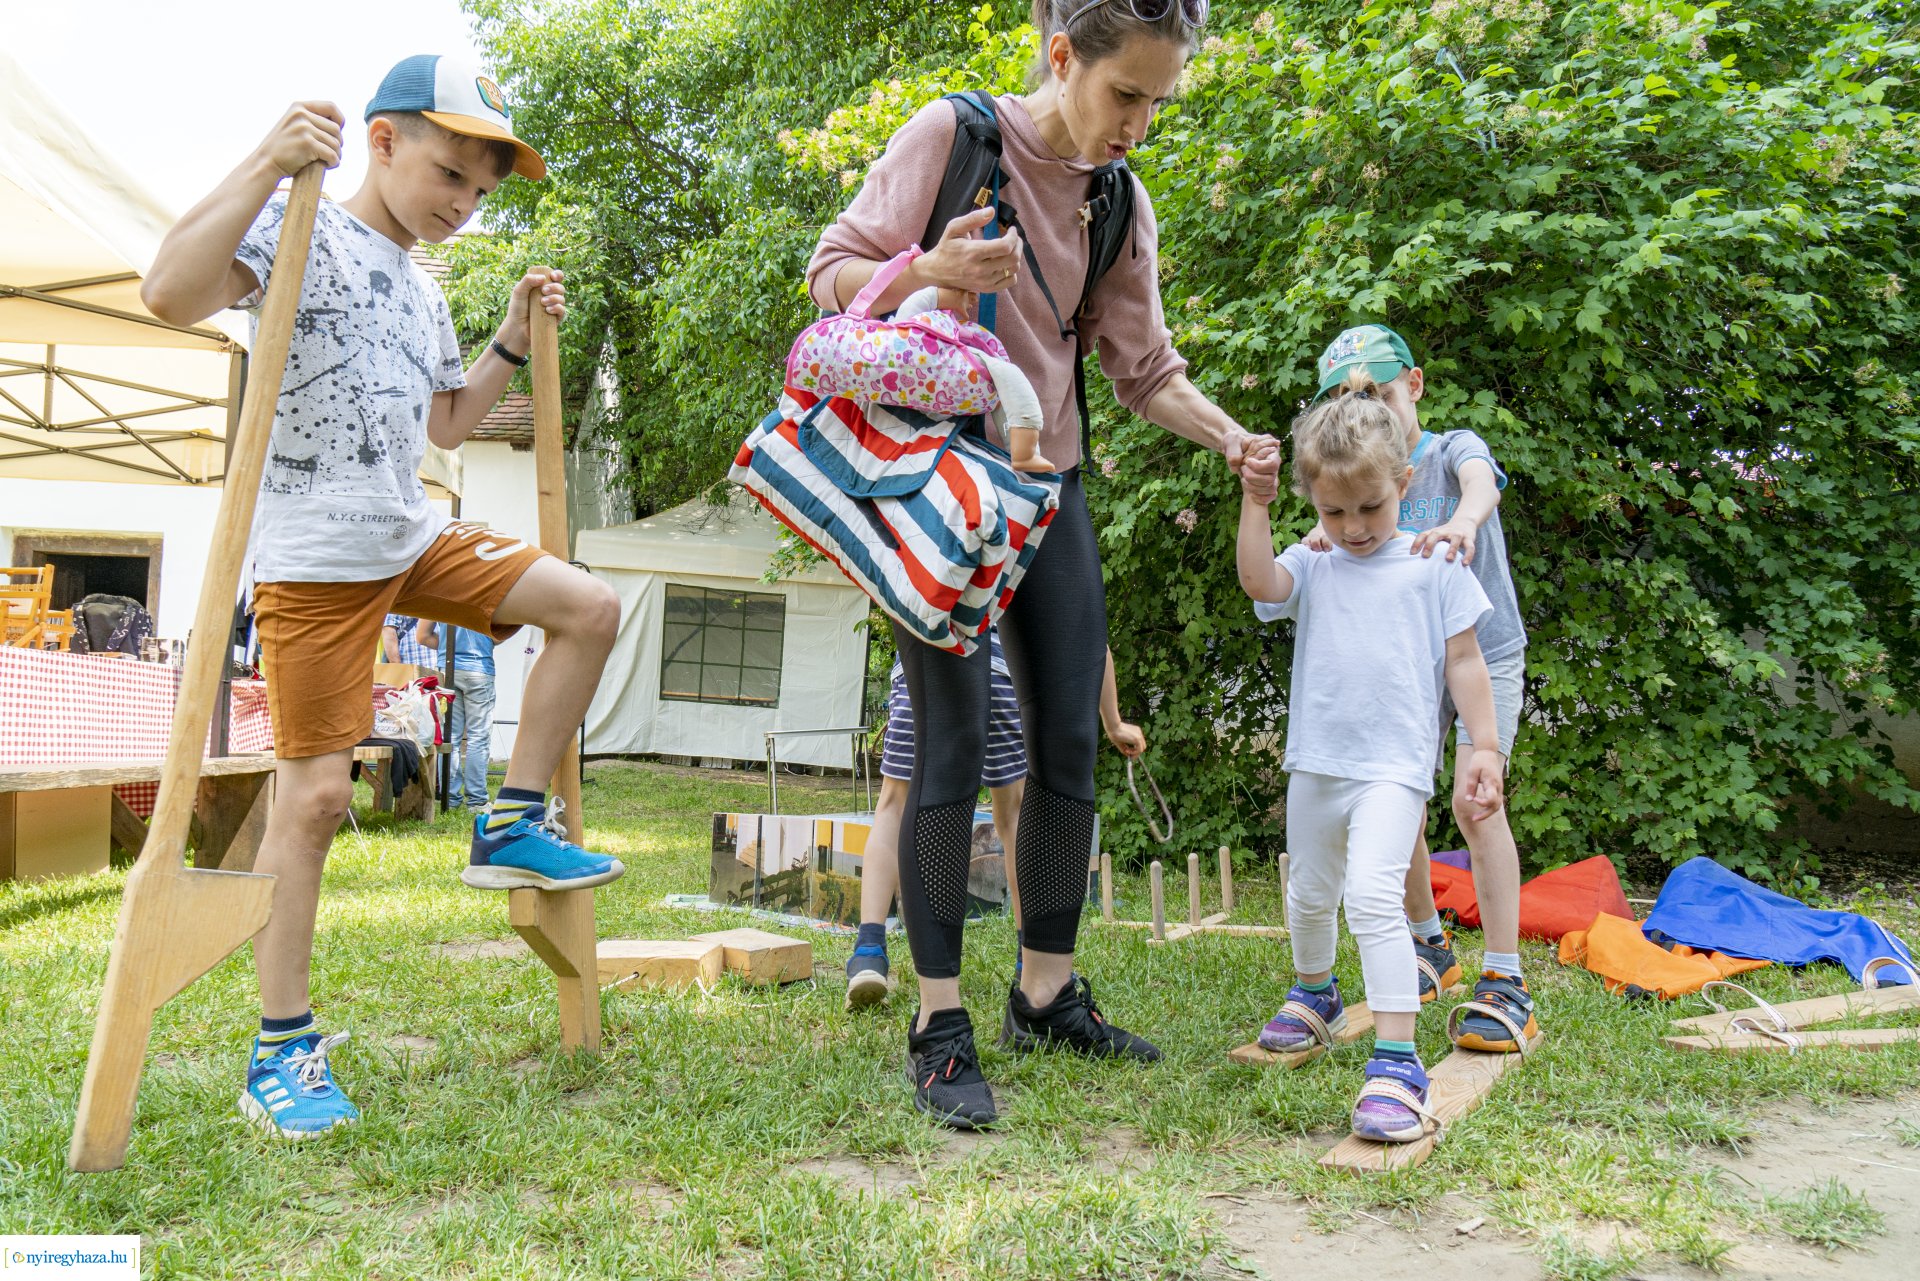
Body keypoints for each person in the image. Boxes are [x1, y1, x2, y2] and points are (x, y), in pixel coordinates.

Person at [808, 0, 1281, 1130]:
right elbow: (830, 275)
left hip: (1046, 485)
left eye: (1159, 102)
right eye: (1127, 95)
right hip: (934, 483)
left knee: (1069, 736)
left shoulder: (1118, 200)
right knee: (953, 739)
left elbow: (1143, 367)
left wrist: (1228, 436)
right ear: (1063, 57)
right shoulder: (954, 136)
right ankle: (938, 1024)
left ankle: (1045, 992)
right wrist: (928, 265)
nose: (1140, 125)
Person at [140, 55, 624, 1140]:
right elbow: (166, 293)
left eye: (481, 191)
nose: (463, 203)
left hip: (409, 533)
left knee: (588, 607)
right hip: (313, 555)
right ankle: (280, 1050)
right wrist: (266, 161)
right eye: (451, 174)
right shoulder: (297, 218)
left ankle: (510, 820)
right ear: (384, 140)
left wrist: (509, 334)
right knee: (314, 799)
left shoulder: (423, 285)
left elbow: (446, 423)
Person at [1235, 378, 1505, 1143]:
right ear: (1313, 503)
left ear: (1405, 483)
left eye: (1370, 507)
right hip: (1316, 763)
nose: (1352, 526)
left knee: (1372, 896)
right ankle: (1315, 992)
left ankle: (1396, 1064)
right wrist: (1255, 502)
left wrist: (1484, 747)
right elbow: (1259, 580)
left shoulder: (1434, 563)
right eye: (1334, 511)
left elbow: (1466, 661)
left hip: (1394, 768)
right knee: (1309, 891)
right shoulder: (1313, 562)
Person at [1304, 326, 1538, 1052]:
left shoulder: (1447, 450)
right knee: (1392, 790)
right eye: (1350, 399)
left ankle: (1505, 977)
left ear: (1415, 385)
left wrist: (1463, 520)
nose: (1370, 408)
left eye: (1380, 392)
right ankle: (1429, 943)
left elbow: (1481, 483)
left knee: (1476, 801)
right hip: (1406, 662)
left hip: (1481, 652)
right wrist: (1318, 539)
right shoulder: (1355, 484)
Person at [846, 641, 1145, 1011]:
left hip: (923, 660)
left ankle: (869, 952)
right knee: (1014, 814)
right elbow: (1090, 637)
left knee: (894, 805)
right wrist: (1113, 721)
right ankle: (1028, 959)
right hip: (998, 669)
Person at [419, 617, 498, 810]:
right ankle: (477, 800)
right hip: (479, 668)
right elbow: (500, 634)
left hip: (447, 669)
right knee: (478, 737)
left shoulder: (439, 598)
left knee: (450, 738)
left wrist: (449, 646)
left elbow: (422, 636)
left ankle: (450, 798)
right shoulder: (486, 597)